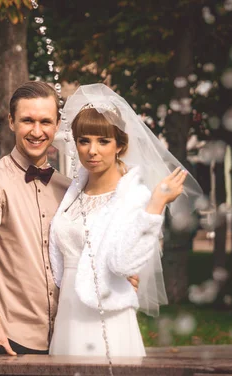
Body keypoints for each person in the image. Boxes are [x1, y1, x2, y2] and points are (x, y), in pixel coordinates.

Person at [0, 81, 140, 356]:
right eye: (27, 121)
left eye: (45, 121)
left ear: (57, 125)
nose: (37, 131)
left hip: (70, 336)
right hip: (11, 340)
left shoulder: (70, 190)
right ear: (11, 122)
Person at [48, 84, 202, 357]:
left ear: (120, 145)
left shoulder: (134, 196)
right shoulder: (73, 193)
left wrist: (155, 206)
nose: (92, 150)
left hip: (106, 314)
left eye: (103, 141)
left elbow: (125, 261)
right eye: (84, 141)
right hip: (68, 312)